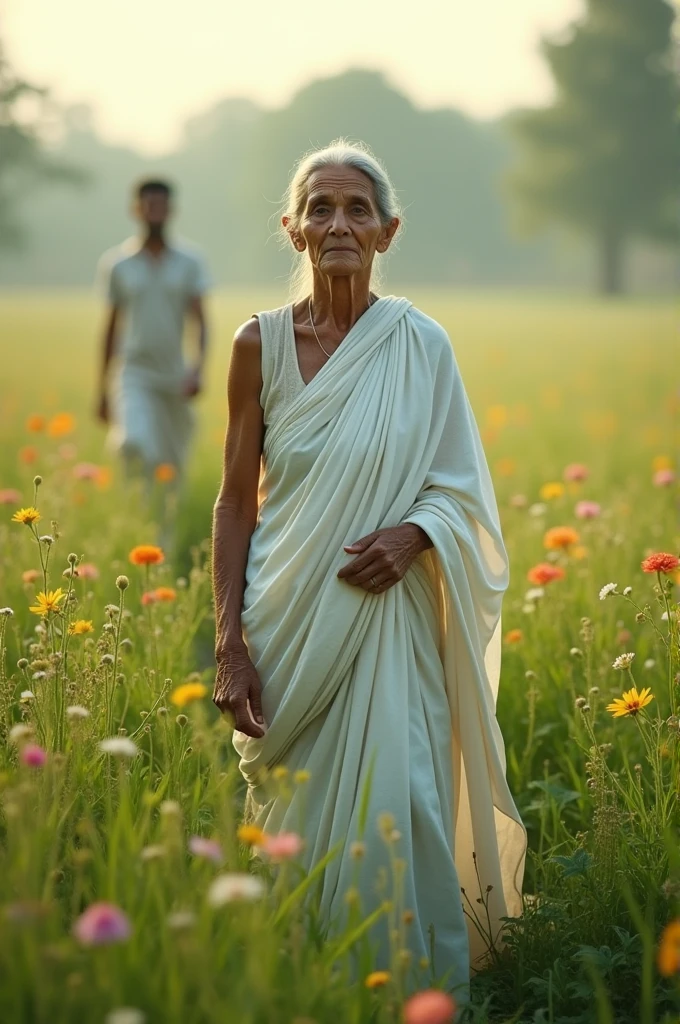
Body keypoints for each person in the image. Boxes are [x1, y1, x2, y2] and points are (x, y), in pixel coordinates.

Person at [211, 140, 526, 1003]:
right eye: (319, 207)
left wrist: (417, 533)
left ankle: (407, 995)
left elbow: (463, 489)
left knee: (404, 805)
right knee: (296, 821)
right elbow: (237, 501)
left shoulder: (421, 344)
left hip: (391, 623)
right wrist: (230, 644)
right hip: (289, 621)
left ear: (388, 232)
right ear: (293, 229)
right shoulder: (258, 344)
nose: (337, 223)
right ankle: (297, 986)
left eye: (356, 209)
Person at [96, 178, 210, 542]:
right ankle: (139, 510)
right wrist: (102, 389)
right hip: (134, 374)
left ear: (171, 210)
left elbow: (200, 320)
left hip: (174, 376)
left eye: (160, 205)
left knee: (172, 464)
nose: (154, 211)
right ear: (136, 209)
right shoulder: (118, 264)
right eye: (147, 204)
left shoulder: (189, 262)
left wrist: (197, 369)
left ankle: (165, 536)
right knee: (134, 443)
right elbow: (111, 327)